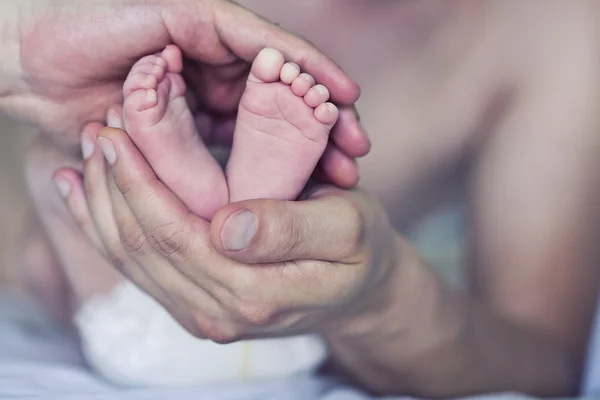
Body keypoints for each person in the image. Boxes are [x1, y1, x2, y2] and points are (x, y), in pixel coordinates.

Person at [9, 0, 600, 398]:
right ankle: (234, 186)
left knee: (70, 164)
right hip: (151, 309)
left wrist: (386, 301)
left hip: (290, 332)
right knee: (68, 169)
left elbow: (546, 372)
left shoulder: (552, 27)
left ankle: (210, 182)